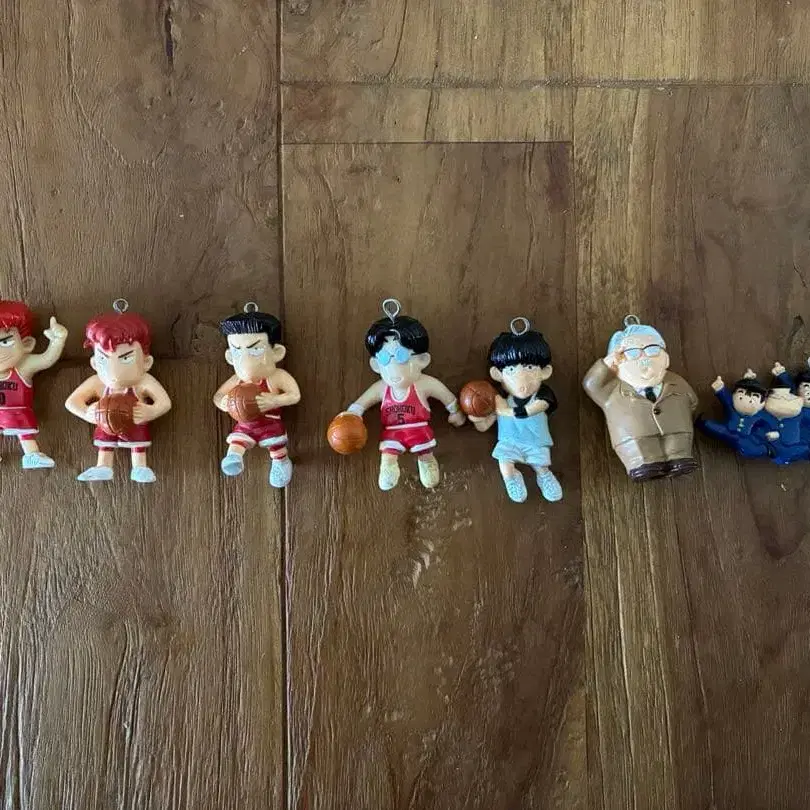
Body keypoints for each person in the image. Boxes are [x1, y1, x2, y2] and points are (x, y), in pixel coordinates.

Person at [337, 303, 465, 491]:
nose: (393, 366)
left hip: (419, 429)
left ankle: (427, 464)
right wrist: (352, 414)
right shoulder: (381, 388)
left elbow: (444, 394)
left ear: (422, 360)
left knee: (425, 452)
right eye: (384, 358)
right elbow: (362, 403)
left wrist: (455, 411)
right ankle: (387, 468)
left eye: (401, 356)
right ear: (376, 364)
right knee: (388, 453)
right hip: (392, 431)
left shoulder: (424, 384)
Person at [582, 317, 698, 481]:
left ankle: (680, 458)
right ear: (617, 361)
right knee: (641, 451)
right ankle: (644, 464)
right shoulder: (611, 390)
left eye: (652, 349)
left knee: (678, 445)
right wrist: (607, 364)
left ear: (665, 357)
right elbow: (591, 385)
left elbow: (692, 401)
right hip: (634, 439)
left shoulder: (676, 381)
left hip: (678, 431)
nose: (644, 357)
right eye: (632, 353)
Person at [65, 307, 171, 483]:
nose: (113, 370)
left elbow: (164, 403)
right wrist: (88, 413)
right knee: (104, 436)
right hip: (105, 421)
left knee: (138, 438)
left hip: (134, 421)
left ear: (146, 362)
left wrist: (150, 412)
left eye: (126, 358)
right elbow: (72, 402)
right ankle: (103, 466)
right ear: (94, 363)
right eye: (103, 359)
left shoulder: (143, 382)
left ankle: (139, 467)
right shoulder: (98, 383)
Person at [469, 322, 562, 503]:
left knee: (540, 465)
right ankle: (512, 478)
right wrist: (476, 418)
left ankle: (544, 476)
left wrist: (509, 411)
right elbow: (485, 425)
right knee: (504, 461)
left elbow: (535, 409)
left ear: (544, 372)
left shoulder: (542, 395)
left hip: (535, 441)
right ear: (498, 374)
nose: (521, 377)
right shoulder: (499, 399)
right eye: (511, 369)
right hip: (509, 441)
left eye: (529, 368)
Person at [214, 308, 301, 488]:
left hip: (270, 423)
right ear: (229, 356)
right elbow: (218, 396)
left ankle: (281, 462)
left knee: (275, 445)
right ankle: (233, 458)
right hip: (245, 424)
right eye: (237, 351)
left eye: (255, 350)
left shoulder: (276, 377)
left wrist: (275, 400)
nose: (245, 359)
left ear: (276, 352)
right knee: (237, 440)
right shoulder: (237, 380)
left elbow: (295, 395)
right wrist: (224, 403)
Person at [0, 300, 67, 468]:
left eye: (5, 342)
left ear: (27, 344)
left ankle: (31, 454)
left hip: (16, 412)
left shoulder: (23, 366)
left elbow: (46, 359)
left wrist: (57, 341)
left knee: (24, 432)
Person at [697, 370, 769, 458]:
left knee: (751, 448)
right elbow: (726, 399)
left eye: (753, 398)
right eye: (741, 395)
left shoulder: (759, 416)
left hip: (744, 438)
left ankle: (764, 449)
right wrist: (720, 388)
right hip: (726, 431)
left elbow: (766, 425)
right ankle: (700, 423)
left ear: (762, 403)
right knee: (709, 425)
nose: (746, 401)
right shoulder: (732, 407)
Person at [759, 373, 807, 464]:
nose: (784, 401)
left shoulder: (799, 415)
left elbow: (794, 434)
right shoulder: (765, 415)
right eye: (778, 398)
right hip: (772, 448)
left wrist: (779, 434)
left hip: (795, 447)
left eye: (787, 398)